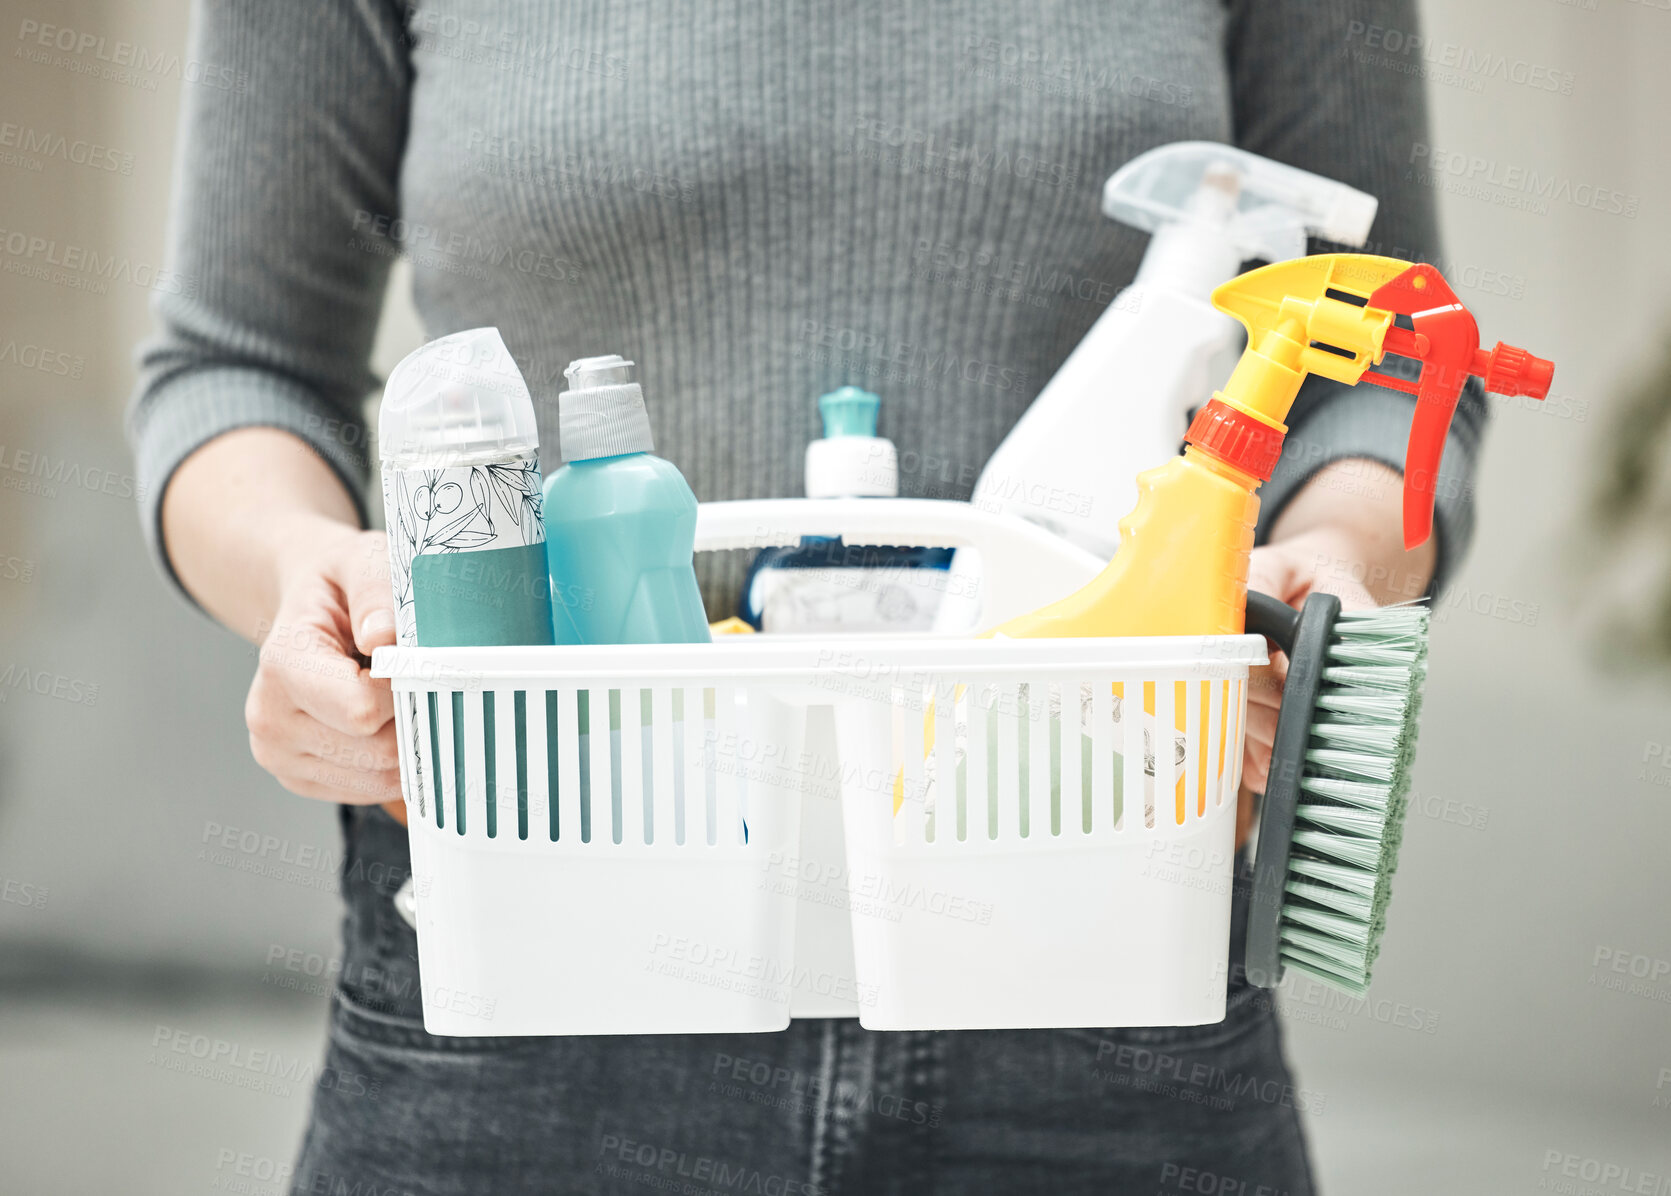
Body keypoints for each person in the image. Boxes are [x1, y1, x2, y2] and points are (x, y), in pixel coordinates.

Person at [129, 2, 1477, 1192]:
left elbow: (1397, 356)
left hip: (1097, 904)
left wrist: (1331, 557)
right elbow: (235, 362)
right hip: (547, 920)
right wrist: (312, 573)